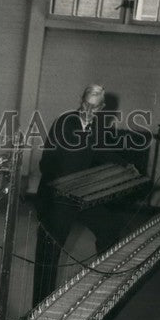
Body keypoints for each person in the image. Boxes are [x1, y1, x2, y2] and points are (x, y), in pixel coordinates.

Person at [32, 84, 123, 306]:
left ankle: (101, 286)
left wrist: (127, 168)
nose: (89, 110)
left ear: (102, 107)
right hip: (57, 197)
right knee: (49, 251)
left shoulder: (98, 127)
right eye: (86, 105)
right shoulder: (64, 123)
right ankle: (39, 307)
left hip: (81, 194)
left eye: (95, 107)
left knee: (110, 227)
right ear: (80, 101)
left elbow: (105, 154)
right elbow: (47, 162)